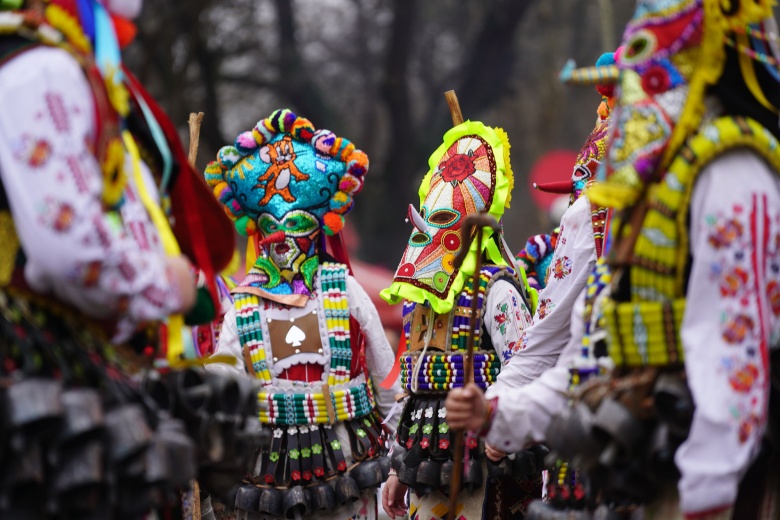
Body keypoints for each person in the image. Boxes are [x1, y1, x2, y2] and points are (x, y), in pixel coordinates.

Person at [447, 1, 780, 518]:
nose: (630, 107)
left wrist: (708, 490)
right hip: (643, 475)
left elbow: (735, 355)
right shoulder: (627, 211)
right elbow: (587, 362)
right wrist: (498, 411)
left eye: (651, 82)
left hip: (724, 485)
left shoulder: (733, 177)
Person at [204, 108, 401, 520]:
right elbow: (222, 380)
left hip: (349, 456)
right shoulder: (244, 304)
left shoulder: (343, 289)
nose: (282, 240)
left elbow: (386, 376)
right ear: (259, 232)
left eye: (294, 225)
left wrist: (399, 453)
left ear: (316, 228)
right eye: (271, 229)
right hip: (271, 468)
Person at [379, 118, 537, 519]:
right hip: (426, 466)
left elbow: (527, 364)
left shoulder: (496, 291)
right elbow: (411, 390)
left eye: (443, 222)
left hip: (487, 457)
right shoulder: (420, 299)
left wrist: (503, 424)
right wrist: (398, 466)